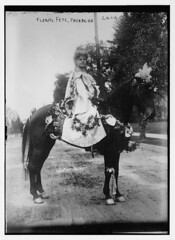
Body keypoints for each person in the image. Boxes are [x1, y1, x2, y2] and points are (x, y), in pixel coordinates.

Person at [61, 47, 106, 147]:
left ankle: (99, 142)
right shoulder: (76, 75)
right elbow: (82, 91)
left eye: (84, 59)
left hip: (88, 98)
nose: (82, 61)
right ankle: (89, 142)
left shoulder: (87, 75)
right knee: (91, 114)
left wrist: (95, 96)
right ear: (76, 61)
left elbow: (93, 88)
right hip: (80, 100)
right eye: (80, 59)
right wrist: (92, 98)